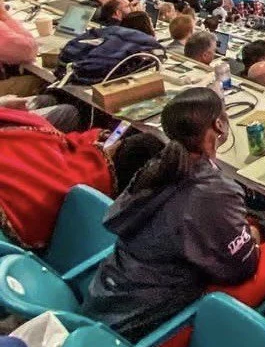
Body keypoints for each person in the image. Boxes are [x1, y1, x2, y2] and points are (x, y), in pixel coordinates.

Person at [83, 88, 265, 347]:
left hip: (112, 307)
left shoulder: (156, 167)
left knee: (253, 227)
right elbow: (242, 267)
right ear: (218, 125)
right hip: (156, 335)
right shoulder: (212, 190)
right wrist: (252, 236)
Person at [0, 104, 163, 250]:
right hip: (55, 183)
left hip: (34, 152)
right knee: (143, 146)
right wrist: (99, 156)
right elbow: (54, 182)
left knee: (68, 112)